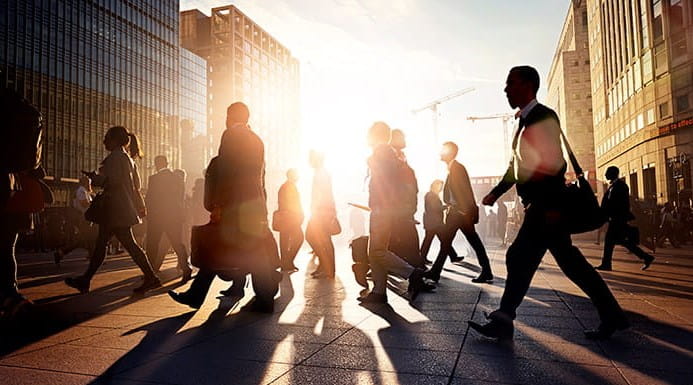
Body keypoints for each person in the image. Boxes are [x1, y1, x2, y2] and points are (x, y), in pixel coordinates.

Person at [469, 66, 628, 341]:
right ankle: (612, 315)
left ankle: (505, 319)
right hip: (542, 207)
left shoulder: (542, 117)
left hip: (545, 207)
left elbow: (554, 164)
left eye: (511, 83)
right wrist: (496, 193)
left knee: (519, 257)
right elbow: (515, 168)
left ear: (528, 85)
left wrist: (552, 207)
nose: (506, 89)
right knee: (567, 263)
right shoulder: (525, 122)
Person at [168, 102, 278, 312]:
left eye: (227, 115)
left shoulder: (231, 135)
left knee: (216, 247)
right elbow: (260, 177)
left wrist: (218, 204)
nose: (225, 119)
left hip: (234, 205)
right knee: (254, 253)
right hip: (254, 204)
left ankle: (196, 295)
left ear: (231, 116)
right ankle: (264, 300)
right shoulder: (257, 140)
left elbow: (226, 173)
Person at [65, 126, 161, 294]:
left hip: (115, 208)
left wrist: (95, 178)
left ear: (115, 140)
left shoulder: (116, 157)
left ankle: (151, 277)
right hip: (119, 208)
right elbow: (135, 185)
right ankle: (85, 280)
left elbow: (113, 181)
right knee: (104, 244)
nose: (104, 142)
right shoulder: (127, 158)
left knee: (121, 245)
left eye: (107, 138)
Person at [358, 121, 431, 304]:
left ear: (375, 135)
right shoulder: (389, 153)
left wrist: (381, 204)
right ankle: (379, 291)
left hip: (382, 209)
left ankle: (411, 273)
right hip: (384, 207)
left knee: (377, 251)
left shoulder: (381, 152)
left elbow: (385, 182)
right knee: (375, 250)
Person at [426, 142, 493, 284]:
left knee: (455, 242)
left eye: (443, 150)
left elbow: (465, 191)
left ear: (449, 153)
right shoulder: (453, 169)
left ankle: (435, 273)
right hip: (457, 213)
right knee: (454, 242)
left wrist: (463, 211)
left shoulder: (457, 168)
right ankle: (435, 272)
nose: (440, 153)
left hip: (459, 214)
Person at [595, 166, 655, 271]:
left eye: (607, 172)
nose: (605, 175)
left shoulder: (620, 186)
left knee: (611, 241)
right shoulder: (614, 185)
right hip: (616, 218)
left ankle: (606, 264)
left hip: (618, 219)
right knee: (620, 241)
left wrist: (611, 213)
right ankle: (646, 257)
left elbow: (620, 204)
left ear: (613, 173)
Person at [145, 155, 192, 282]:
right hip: (174, 216)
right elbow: (181, 198)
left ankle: (150, 272)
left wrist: (149, 215)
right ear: (167, 163)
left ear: (157, 164)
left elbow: (150, 199)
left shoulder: (154, 179)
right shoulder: (177, 178)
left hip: (158, 217)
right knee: (178, 243)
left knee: (153, 244)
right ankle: (186, 267)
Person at [387, 129, 424, 268]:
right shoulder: (393, 156)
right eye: (402, 137)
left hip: (404, 207)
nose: (405, 140)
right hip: (399, 207)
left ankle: (375, 266)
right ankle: (416, 270)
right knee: (407, 239)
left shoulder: (400, 155)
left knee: (398, 240)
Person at [305, 151, 337, 279]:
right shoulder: (320, 173)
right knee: (322, 239)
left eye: (311, 158)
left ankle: (327, 267)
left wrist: (325, 212)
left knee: (314, 237)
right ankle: (326, 266)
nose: (309, 161)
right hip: (321, 211)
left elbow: (325, 194)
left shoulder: (321, 174)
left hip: (321, 212)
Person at [54, 176, 95, 264]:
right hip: (84, 218)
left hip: (86, 218)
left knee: (87, 239)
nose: (90, 184)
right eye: (89, 182)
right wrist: (94, 203)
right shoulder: (81, 191)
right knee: (85, 239)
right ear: (85, 183)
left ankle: (93, 256)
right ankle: (62, 252)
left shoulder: (85, 191)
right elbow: (84, 204)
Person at [277, 168, 304, 272]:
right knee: (298, 238)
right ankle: (287, 261)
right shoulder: (289, 187)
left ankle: (286, 263)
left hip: (287, 218)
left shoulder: (286, 186)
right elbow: (293, 204)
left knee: (285, 241)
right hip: (290, 219)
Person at [420, 180, 448, 264]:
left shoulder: (432, 195)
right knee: (444, 239)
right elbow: (435, 208)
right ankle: (422, 257)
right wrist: (446, 206)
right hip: (434, 222)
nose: (441, 188)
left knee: (431, 240)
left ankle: (422, 257)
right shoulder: (431, 195)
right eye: (440, 186)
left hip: (432, 222)